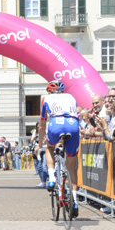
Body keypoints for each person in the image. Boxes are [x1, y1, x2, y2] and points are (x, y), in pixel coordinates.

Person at [38, 80, 80, 217]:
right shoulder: (71, 97)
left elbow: (42, 124)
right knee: (71, 166)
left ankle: (51, 178)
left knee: (49, 147)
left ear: (49, 91)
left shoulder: (46, 98)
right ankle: (75, 201)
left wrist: (40, 143)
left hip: (56, 124)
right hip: (73, 124)